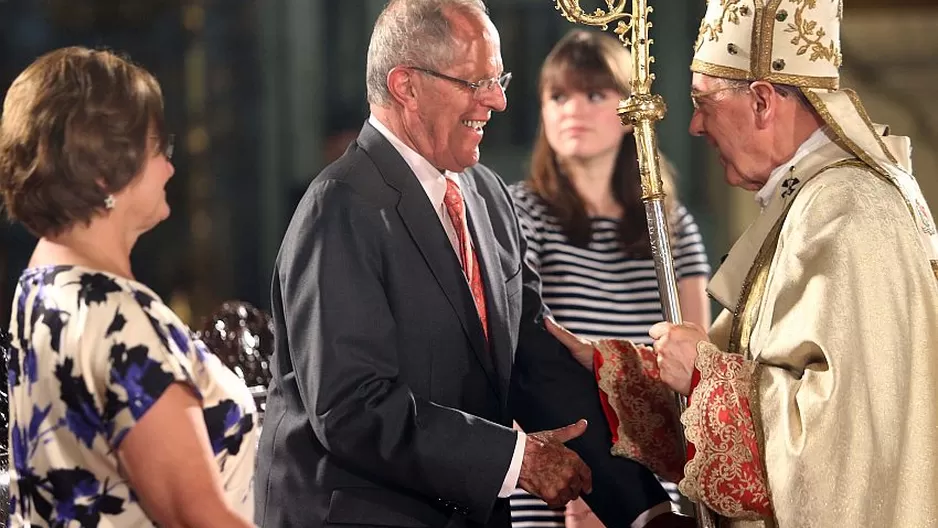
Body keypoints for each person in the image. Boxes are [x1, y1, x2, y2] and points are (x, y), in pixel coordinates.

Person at [254, 1, 693, 527]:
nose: (499, 100)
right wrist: (516, 460)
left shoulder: (484, 193)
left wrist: (644, 509)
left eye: (499, 78)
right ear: (405, 86)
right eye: (474, 82)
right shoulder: (341, 207)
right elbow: (353, 409)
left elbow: (533, 360)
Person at [559, 0, 938, 526]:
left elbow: (845, 455)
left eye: (703, 102)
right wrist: (616, 372)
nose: (693, 125)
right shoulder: (811, 200)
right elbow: (757, 369)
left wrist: (702, 375)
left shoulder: (850, 212)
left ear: (762, 101)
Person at [0, 47, 257, 527]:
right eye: (160, 149)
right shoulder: (120, 318)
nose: (170, 169)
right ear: (104, 176)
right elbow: (197, 518)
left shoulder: (42, 280)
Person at [508, 30, 712, 528]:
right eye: (558, 96)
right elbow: (511, 361)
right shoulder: (517, 213)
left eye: (594, 94)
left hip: (656, 479)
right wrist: (581, 489)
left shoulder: (671, 223)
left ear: (630, 113)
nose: (572, 109)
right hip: (559, 478)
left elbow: (698, 357)